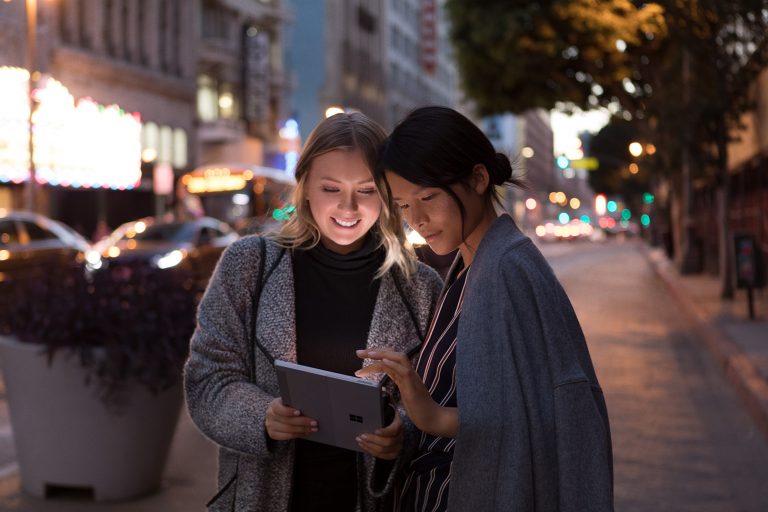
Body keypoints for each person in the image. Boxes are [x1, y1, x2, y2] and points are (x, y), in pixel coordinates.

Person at [356, 106, 614, 511]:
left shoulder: (507, 268)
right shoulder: (471, 264)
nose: (418, 219)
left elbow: (537, 415)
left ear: (478, 179)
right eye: (404, 206)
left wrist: (431, 416)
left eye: (427, 197)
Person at [184, 112, 443, 512]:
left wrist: (402, 433)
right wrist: (262, 416)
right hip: (265, 495)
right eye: (330, 188)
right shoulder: (249, 264)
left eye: (367, 190)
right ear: (304, 187)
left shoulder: (420, 287)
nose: (348, 206)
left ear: (389, 193)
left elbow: (442, 401)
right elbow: (208, 378)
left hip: (376, 498)